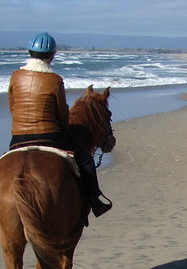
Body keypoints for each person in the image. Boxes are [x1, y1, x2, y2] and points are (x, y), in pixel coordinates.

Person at [8, 32, 112, 217]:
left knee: (7, 163)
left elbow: (12, 106)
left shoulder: (16, 77)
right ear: (52, 55)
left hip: (18, 136)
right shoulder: (55, 80)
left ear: (30, 52)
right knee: (85, 160)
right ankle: (96, 200)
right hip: (49, 135)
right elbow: (62, 114)